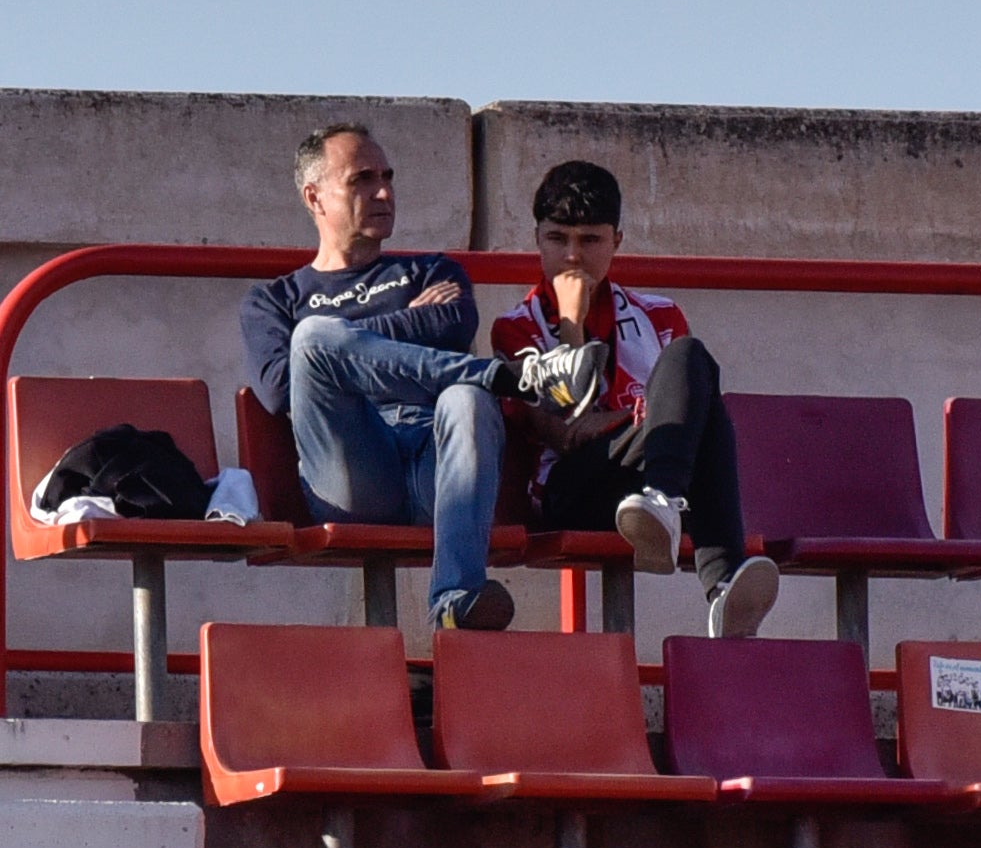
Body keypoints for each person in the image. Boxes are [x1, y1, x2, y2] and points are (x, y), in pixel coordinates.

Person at [240, 123, 608, 630]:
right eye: (361, 180)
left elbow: (453, 323)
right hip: (353, 474)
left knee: (466, 398)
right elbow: (284, 388)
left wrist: (354, 351)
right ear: (314, 196)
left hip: (438, 468)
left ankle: (454, 598)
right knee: (311, 341)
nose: (384, 192)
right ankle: (511, 378)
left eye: (387, 177)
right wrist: (358, 335)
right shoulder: (273, 300)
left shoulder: (433, 271)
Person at [490, 160, 779, 637]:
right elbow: (563, 429)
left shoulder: (659, 315)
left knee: (690, 357)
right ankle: (720, 575)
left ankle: (670, 514)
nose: (572, 257)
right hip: (573, 492)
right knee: (699, 414)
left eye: (589, 241)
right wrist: (571, 322)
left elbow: (689, 412)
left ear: (616, 242)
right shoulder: (516, 327)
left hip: (649, 482)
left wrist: (623, 418)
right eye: (557, 239)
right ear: (537, 238)